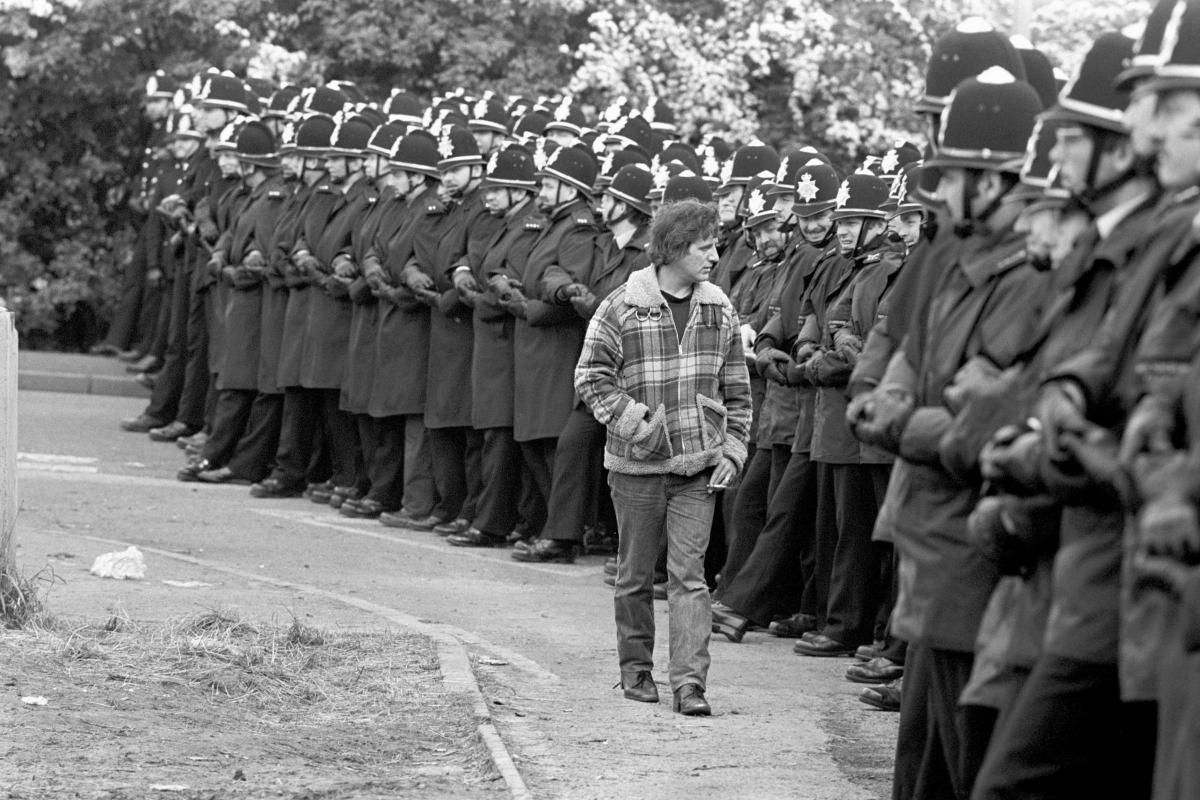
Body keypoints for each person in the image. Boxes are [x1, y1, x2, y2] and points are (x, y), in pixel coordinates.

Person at [575, 198, 752, 717]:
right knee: (633, 576)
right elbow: (591, 377)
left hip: (698, 470)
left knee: (690, 579)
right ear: (674, 249)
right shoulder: (620, 306)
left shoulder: (719, 306)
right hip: (635, 471)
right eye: (704, 246)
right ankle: (635, 670)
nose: (715, 255)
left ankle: (689, 685)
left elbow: (739, 391)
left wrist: (733, 451)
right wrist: (638, 424)